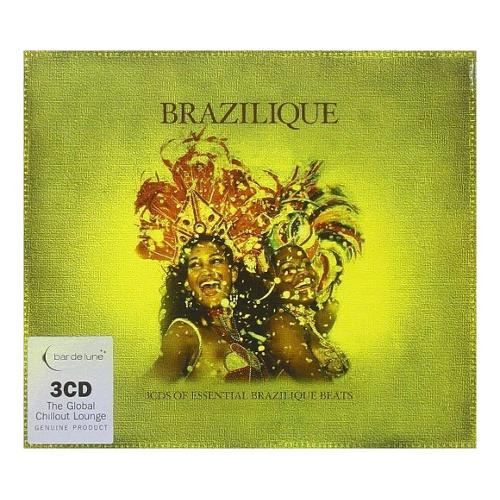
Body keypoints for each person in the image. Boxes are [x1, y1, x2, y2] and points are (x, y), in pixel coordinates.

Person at [151, 235, 269, 381]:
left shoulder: (243, 331)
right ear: (187, 282)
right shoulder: (185, 333)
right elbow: (146, 390)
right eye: (195, 264)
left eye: (215, 261)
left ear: (233, 274)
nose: (206, 271)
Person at [264, 244, 349, 380]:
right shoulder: (281, 325)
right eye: (288, 269)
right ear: (269, 283)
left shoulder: (307, 319)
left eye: (306, 264)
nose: (304, 272)